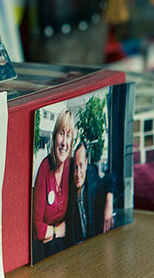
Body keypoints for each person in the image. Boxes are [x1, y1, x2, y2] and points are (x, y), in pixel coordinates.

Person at [32, 109, 75, 262]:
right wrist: (58, 231)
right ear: (54, 137)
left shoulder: (71, 167)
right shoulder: (44, 169)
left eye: (68, 135)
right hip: (46, 247)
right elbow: (38, 229)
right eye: (61, 134)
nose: (64, 142)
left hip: (65, 243)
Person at [65, 141, 116, 247]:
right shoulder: (69, 188)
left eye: (81, 165)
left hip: (96, 245)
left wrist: (109, 200)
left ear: (86, 163)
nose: (78, 173)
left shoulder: (92, 180)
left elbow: (112, 178)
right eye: (75, 167)